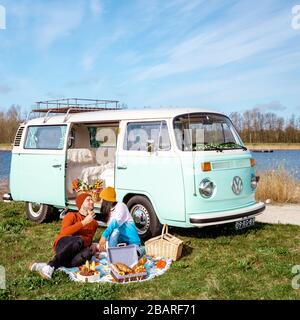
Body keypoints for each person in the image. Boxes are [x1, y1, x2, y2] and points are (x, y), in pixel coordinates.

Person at [30, 193, 99, 280]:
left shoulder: (94, 223)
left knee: (87, 254)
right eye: (88, 200)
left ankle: (48, 266)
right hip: (64, 244)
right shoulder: (71, 215)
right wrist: (84, 222)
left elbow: (88, 239)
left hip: (79, 248)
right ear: (81, 203)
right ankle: (51, 266)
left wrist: (92, 244)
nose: (92, 202)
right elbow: (64, 232)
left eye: (92, 200)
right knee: (79, 240)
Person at [98, 187, 143, 256]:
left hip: (131, 243)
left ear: (106, 201)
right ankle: (112, 253)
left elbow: (114, 223)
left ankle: (113, 253)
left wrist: (104, 235)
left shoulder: (121, 206)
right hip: (118, 244)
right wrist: (105, 241)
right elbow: (110, 231)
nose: (101, 201)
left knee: (115, 230)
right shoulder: (109, 211)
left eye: (102, 199)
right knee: (99, 248)